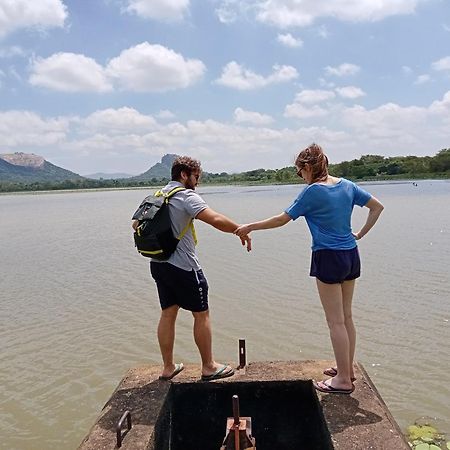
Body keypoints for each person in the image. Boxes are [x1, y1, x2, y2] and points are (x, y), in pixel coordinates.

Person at [235, 143, 384, 394]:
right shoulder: (347, 185)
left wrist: (250, 226)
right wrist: (359, 234)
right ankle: (345, 368)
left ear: (307, 167)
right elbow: (377, 207)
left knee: (335, 321)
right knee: (346, 317)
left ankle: (343, 381)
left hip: (328, 256)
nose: (300, 177)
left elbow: (282, 219)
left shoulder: (312, 192)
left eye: (299, 171)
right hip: (351, 254)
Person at [133, 156, 251, 382]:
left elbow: (136, 224)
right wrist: (240, 229)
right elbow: (215, 219)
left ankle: (168, 367)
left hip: (158, 264)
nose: (198, 182)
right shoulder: (186, 196)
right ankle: (208, 366)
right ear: (184, 175)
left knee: (168, 313)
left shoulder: (156, 195)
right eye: (196, 177)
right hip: (184, 267)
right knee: (202, 314)